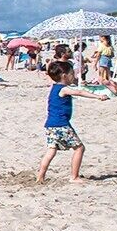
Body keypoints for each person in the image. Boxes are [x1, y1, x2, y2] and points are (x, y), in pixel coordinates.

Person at [37, 50, 84, 182]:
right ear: (64, 75)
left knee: (51, 151)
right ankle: (74, 177)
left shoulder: (54, 87)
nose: (73, 76)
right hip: (61, 124)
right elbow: (79, 92)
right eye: (71, 74)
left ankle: (40, 176)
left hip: (50, 125)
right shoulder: (64, 89)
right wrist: (98, 96)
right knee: (79, 148)